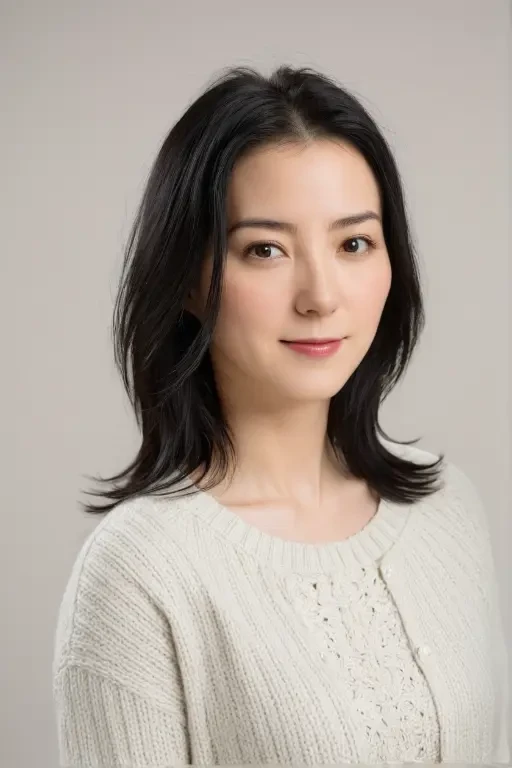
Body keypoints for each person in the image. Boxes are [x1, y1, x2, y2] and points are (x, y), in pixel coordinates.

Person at [52, 64, 509, 765]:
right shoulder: (139, 574)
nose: (321, 295)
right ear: (189, 280)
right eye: (265, 249)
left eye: (354, 242)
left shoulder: (447, 509)